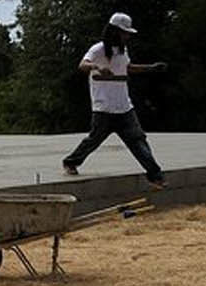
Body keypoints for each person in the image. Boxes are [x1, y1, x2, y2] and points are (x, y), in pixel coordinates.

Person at [62, 13, 167, 188]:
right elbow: (82, 65)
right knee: (94, 140)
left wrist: (150, 68)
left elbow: (127, 68)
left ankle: (155, 176)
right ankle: (71, 162)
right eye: (124, 33)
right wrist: (97, 67)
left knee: (138, 141)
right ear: (114, 31)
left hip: (124, 107)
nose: (127, 37)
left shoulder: (122, 51)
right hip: (103, 107)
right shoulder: (98, 49)